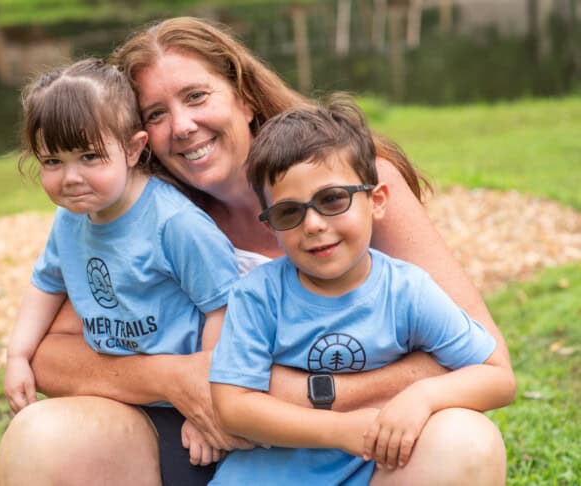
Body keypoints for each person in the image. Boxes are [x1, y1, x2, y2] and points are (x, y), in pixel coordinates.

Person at [0, 17, 515, 486]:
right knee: (42, 434)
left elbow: (480, 356)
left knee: (464, 440)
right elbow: (52, 354)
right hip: (199, 443)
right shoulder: (144, 212)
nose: (181, 126)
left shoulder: (350, 179)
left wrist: (300, 395)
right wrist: (174, 377)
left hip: (357, 440)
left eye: (196, 96)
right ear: (135, 138)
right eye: (156, 113)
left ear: (244, 96)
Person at [208, 102, 516, 485]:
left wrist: (422, 397)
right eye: (289, 212)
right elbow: (233, 406)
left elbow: (496, 377)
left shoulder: (408, 291)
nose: (315, 225)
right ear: (272, 227)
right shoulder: (258, 296)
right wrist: (339, 430)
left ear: (378, 201)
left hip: (378, 470)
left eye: (333, 199)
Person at [1, 57, 242, 483]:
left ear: (133, 148)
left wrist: (208, 407)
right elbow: (45, 283)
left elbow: (225, 308)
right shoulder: (71, 220)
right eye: (53, 162)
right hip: (121, 395)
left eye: (90, 156)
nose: (71, 177)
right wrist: (19, 354)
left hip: (183, 410)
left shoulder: (174, 224)